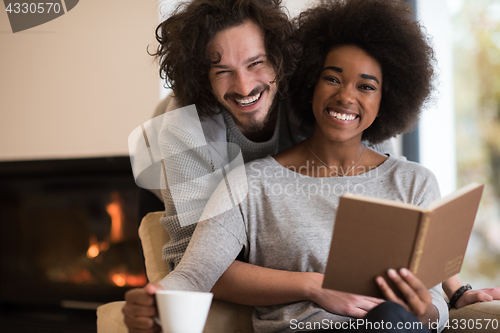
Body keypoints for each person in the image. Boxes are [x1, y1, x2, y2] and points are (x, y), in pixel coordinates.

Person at [123, 0, 500, 331]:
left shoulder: (401, 170)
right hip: (204, 206)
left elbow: (402, 215)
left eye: (256, 63)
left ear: (281, 65)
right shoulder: (189, 136)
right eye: (222, 70)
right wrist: (152, 299)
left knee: (395, 320)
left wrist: (451, 292)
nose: (243, 85)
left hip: (389, 326)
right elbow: (195, 270)